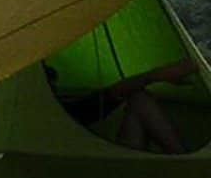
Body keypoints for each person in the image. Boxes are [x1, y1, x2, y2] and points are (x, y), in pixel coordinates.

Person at [45, 58, 199, 153]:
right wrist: (158, 75)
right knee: (139, 100)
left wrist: (159, 75)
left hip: (114, 167)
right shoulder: (47, 117)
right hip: (100, 175)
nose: (54, 90)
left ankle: (185, 163)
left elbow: (108, 97)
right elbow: (110, 95)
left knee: (140, 100)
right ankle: (186, 165)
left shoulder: (60, 110)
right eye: (51, 86)